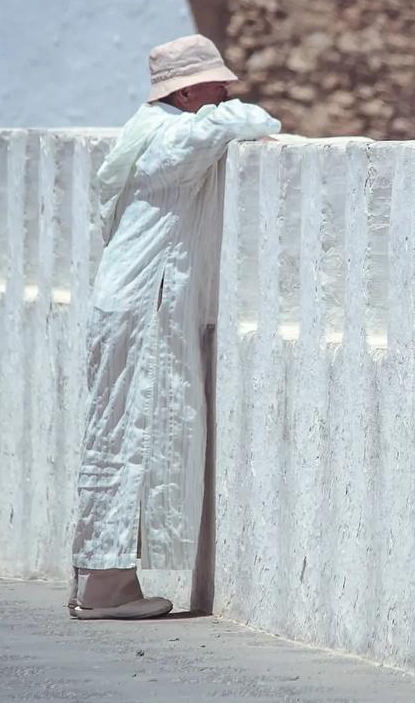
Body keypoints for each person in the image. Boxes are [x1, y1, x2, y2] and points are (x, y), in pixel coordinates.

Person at [67, 34, 281, 620]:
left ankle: (102, 581)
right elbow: (254, 121)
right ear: (186, 92)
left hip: (131, 302)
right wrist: (239, 113)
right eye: (215, 84)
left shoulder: (148, 131)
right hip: (143, 306)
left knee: (118, 433)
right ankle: (105, 588)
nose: (226, 90)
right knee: (131, 435)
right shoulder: (170, 138)